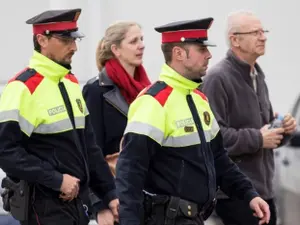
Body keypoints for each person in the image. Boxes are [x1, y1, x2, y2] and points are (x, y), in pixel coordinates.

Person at [115, 17, 270, 225]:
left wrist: (249, 194)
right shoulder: (154, 102)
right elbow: (130, 173)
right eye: (201, 49)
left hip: (193, 218)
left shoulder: (199, 99)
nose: (209, 55)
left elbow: (219, 159)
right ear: (179, 53)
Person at [0, 8, 118, 225]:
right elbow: (6, 152)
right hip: (43, 207)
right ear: (41, 40)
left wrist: (110, 194)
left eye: (74, 40)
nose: (74, 47)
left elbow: (90, 148)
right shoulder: (22, 88)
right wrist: (57, 180)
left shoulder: (70, 83)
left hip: (76, 205)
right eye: (65, 40)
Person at [201, 11, 297, 225]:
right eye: (256, 32)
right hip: (235, 196)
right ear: (235, 40)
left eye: (263, 32)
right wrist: (258, 138)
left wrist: (284, 129)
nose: (263, 37)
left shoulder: (257, 75)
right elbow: (213, 138)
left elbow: (264, 132)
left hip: (264, 192)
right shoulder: (217, 78)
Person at [82, 21, 151, 224]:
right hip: (115, 199)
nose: (141, 45)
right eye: (133, 41)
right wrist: (100, 204)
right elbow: (90, 152)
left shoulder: (149, 89)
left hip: (147, 194)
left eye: (142, 39)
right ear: (116, 50)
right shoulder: (96, 91)